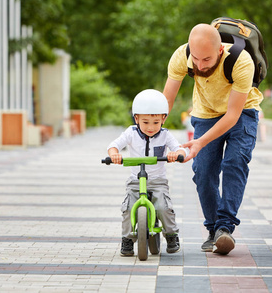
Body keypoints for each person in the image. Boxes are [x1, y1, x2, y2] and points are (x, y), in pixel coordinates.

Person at [163, 24, 263, 255]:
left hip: (242, 113)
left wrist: (200, 142)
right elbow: (166, 101)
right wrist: (152, 129)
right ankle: (213, 231)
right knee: (203, 171)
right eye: (196, 59)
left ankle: (224, 227)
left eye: (206, 59)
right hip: (205, 113)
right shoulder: (182, 56)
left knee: (234, 163)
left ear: (220, 51)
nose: (199, 65)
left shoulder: (241, 61)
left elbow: (232, 115)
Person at [107, 89, 187, 256]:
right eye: (145, 122)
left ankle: (172, 234)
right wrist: (114, 154)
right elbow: (114, 144)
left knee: (164, 207)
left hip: (158, 181)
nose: (151, 127)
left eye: (156, 122)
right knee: (128, 208)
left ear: (163, 119)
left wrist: (177, 154)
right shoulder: (131, 132)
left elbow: (180, 149)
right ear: (136, 118)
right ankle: (127, 239)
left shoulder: (165, 135)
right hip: (135, 181)